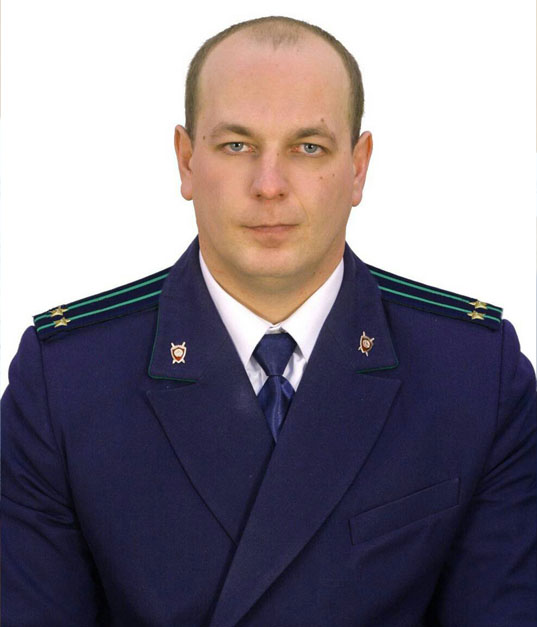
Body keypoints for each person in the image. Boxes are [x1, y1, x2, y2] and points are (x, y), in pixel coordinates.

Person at [2, 15, 536, 626]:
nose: (269, 185)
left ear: (359, 167)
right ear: (186, 161)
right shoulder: (67, 382)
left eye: (308, 148)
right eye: (237, 146)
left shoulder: (474, 376)